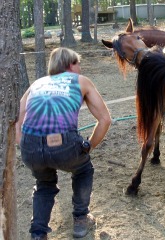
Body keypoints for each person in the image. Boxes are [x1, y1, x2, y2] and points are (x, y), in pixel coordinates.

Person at [16, 47, 112, 240]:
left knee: (44, 183)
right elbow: (105, 120)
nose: (80, 67)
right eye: (78, 63)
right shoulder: (81, 81)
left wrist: (25, 145)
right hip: (64, 144)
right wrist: (89, 146)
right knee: (83, 169)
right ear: (70, 64)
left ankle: (38, 233)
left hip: (30, 145)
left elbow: (18, 120)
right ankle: (80, 218)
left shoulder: (37, 83)